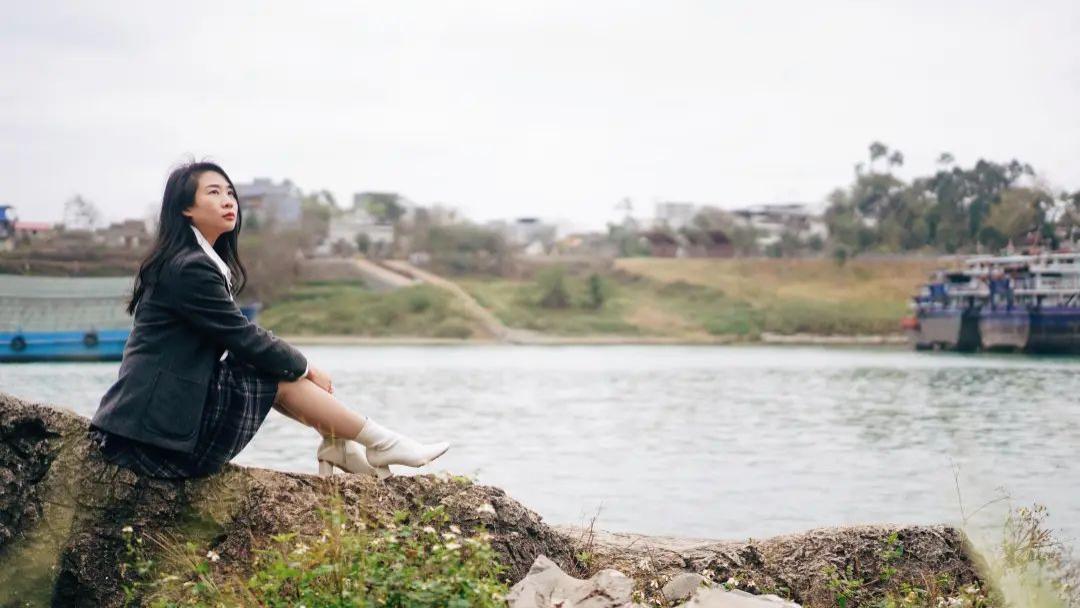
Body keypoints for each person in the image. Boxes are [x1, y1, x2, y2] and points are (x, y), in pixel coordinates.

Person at [87, 160, 449, 479]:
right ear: (186, 208)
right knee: (270, 371)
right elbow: (242, 336)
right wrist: (305, 366)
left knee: (262, 367)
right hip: (152, 438)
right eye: (214, 193)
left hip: (156, 425)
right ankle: (377, 441)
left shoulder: (194, 261)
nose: (228, 200)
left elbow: (239, 340)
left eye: (230, 192)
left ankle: (341, 441)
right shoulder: (189, 268)